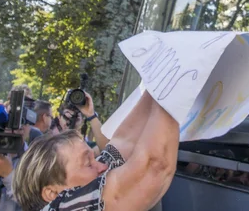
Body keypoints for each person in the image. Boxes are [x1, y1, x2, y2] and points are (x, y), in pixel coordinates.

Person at [14, 90, 178, 211]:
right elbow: (155, 166)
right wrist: (173, 80)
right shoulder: (62, 207)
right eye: (88, 164)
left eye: (93, 158)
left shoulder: (90, 175)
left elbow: (125, 141)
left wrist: (159, 77)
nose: (102, 166)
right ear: (51, 193)